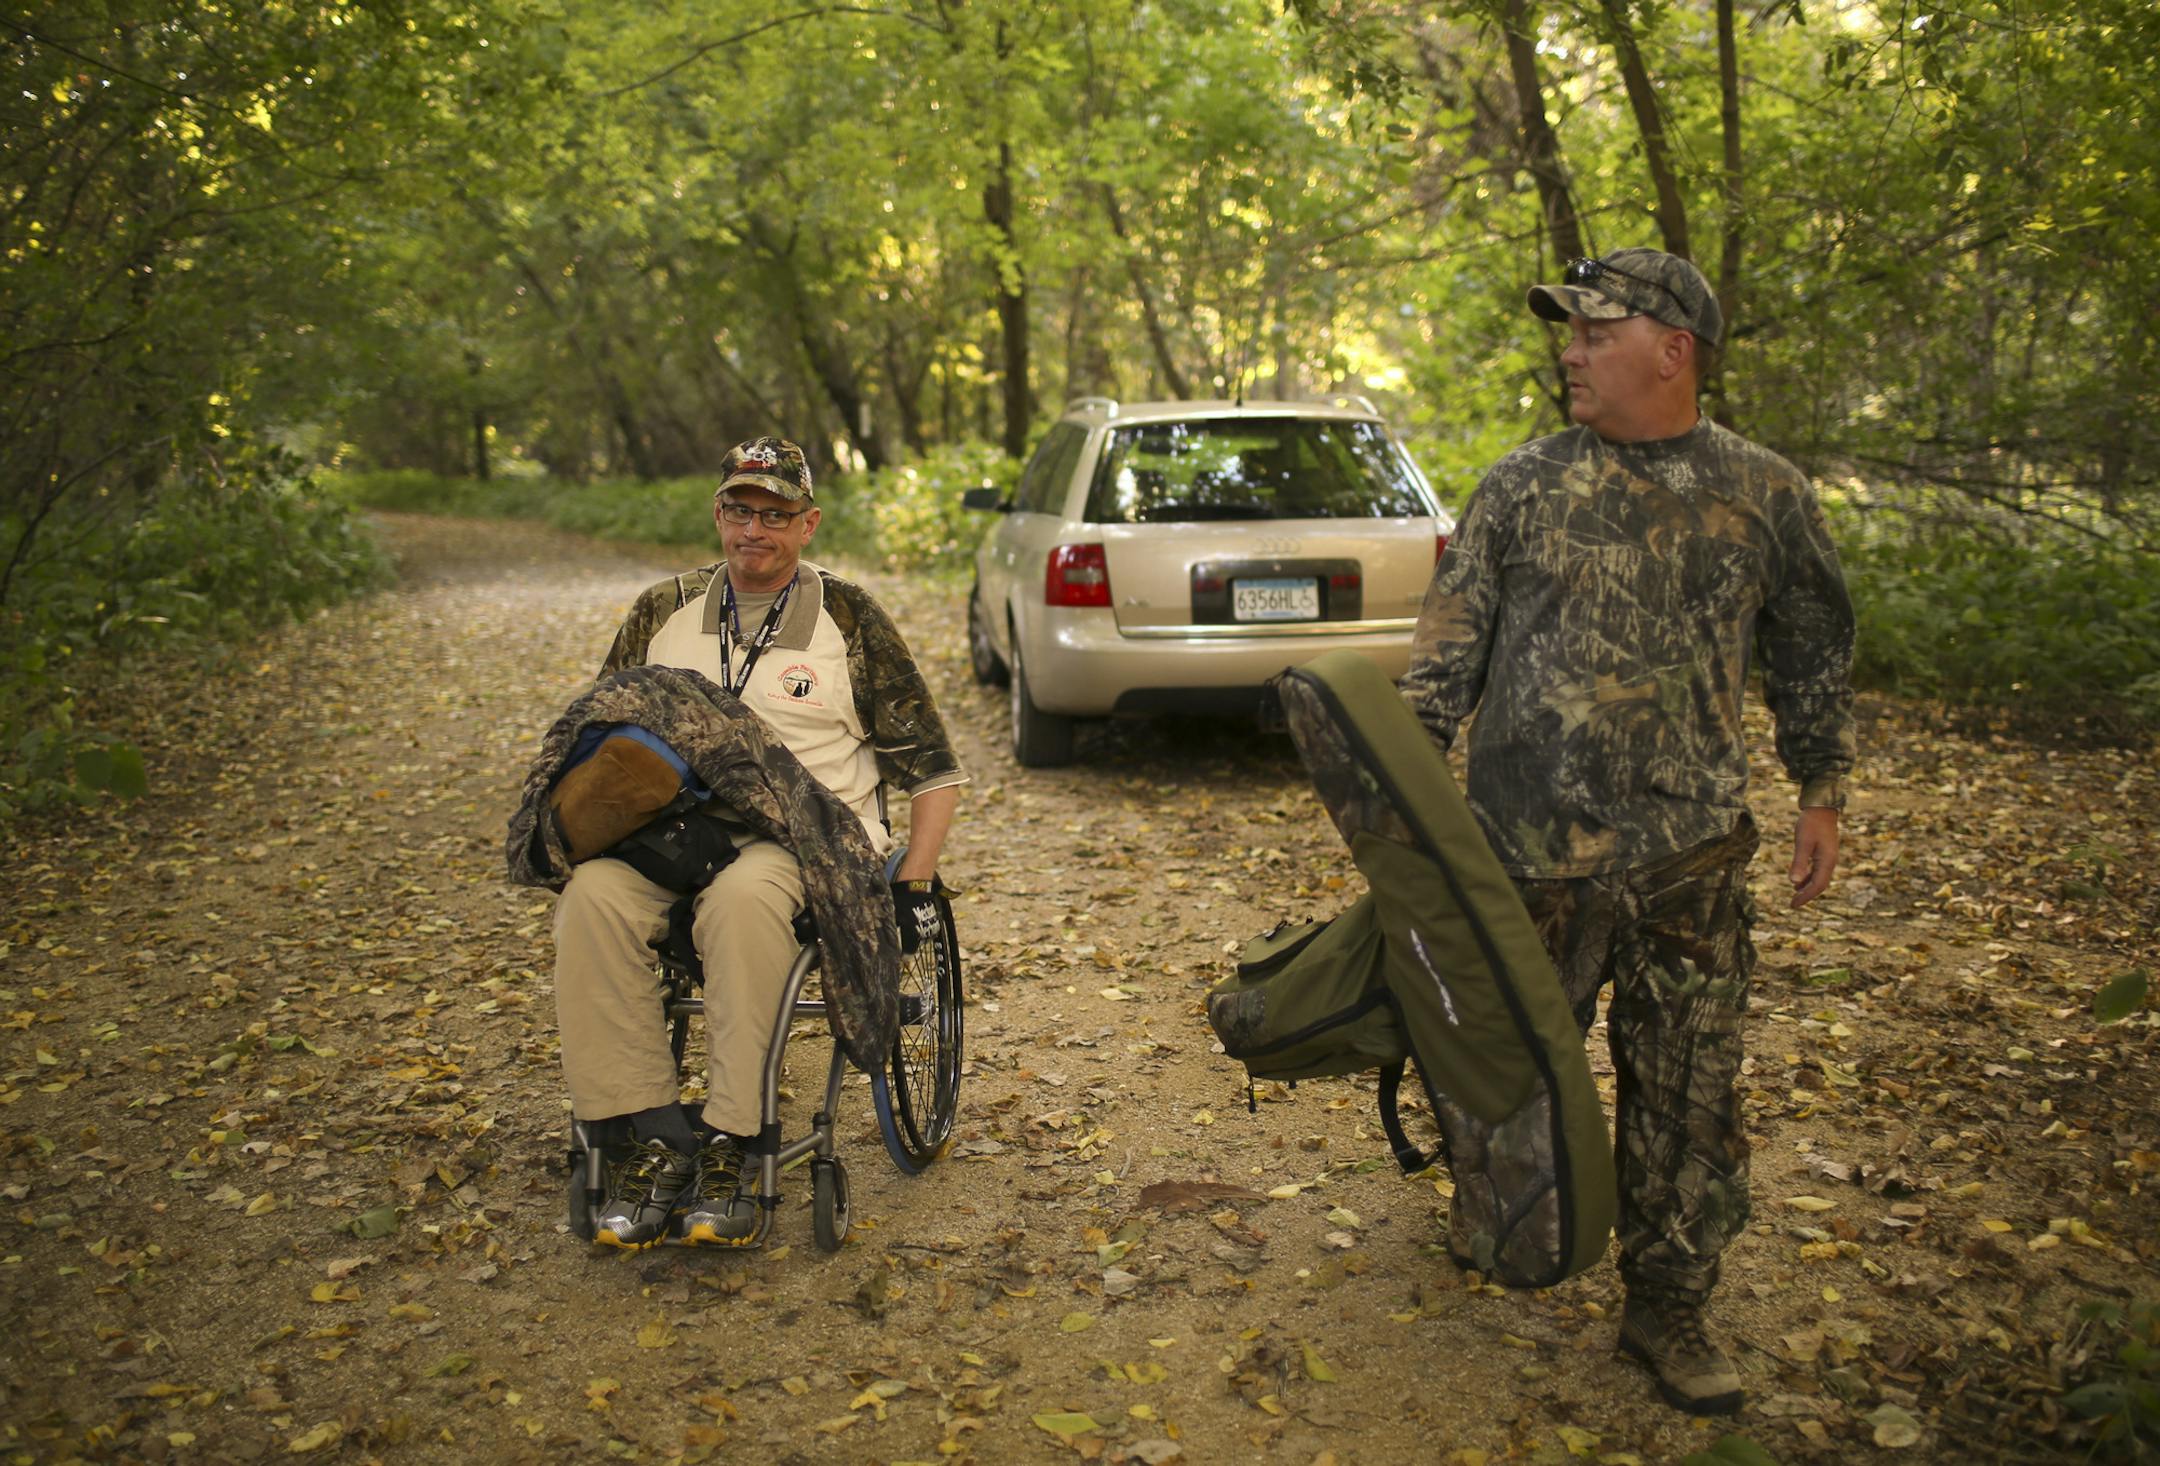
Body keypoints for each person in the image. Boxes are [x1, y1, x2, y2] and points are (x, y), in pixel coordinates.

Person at [1400, 249, 1855, 1414]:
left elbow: (1812, 635)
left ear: (1673, 348)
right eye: (1569, 331)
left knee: (1689, 1092)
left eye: (1594, 331)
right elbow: (1444, 655)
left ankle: (1669, 1304)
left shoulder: (1765, 490)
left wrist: (1821, 785)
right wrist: (1403, 793)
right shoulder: (1519, 486)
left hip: (1690, 860)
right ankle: (1501, 1207)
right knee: (1504, 1069)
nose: (1570, 350)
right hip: (1524, 857)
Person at [553, 437, 966, 1250]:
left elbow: (933, 768)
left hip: (811, 841)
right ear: (718, 515)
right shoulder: (660, 611)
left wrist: (913, 885)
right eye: (740, 510)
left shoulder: (847, 617)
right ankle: (645, 1134)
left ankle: (736, 1141)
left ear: (807, 524)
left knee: (743, 902)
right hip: (676, 833)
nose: (755, 530)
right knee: (591, 900)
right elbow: (598, 734)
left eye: (775, 515)